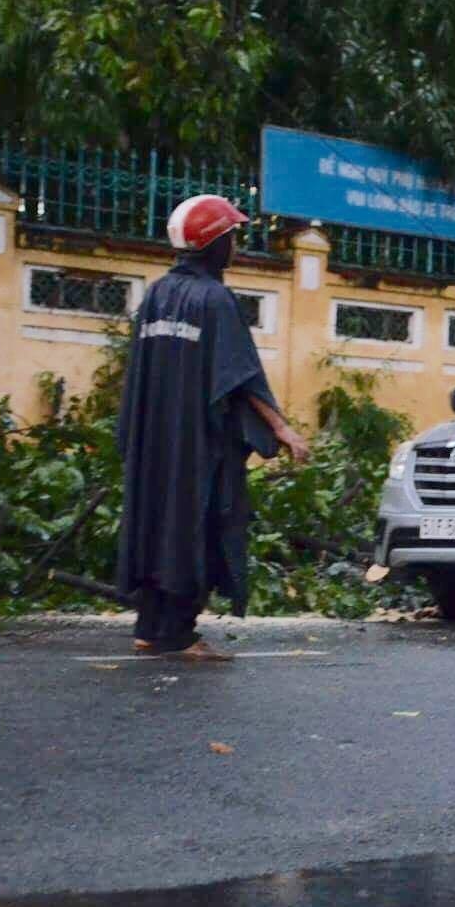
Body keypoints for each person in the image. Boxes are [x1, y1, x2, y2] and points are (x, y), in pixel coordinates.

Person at [115, 195, 310, 659]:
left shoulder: (156, 295)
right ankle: (180, 634)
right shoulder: (216, 300)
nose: (236, 246)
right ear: (213, 243)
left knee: (154, 524)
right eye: (232, 237)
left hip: (153, 443)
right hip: (197, 443)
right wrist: (281, 429)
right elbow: (241, 376)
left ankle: (149, 628)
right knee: (197, 526)